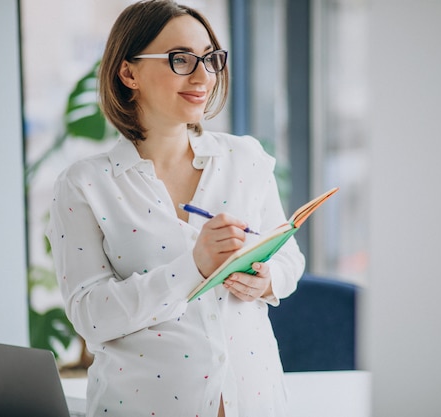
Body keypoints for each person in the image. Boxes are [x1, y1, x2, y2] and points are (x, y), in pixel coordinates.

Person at [45, 1, 305, 416]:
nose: (204, 76)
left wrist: (268, 279)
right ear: (128, 72)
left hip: (255, 401)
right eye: (180, 59)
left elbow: (289, 257)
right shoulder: (85, 186)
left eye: (210, 59)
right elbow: (90, 315)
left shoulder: (245, 159)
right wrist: (194, 268)